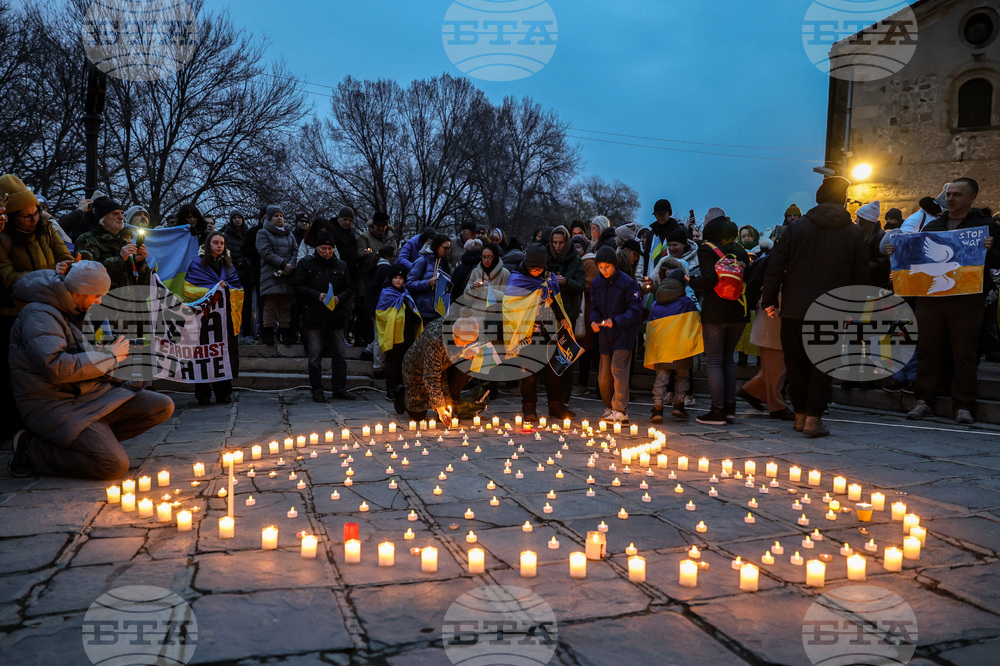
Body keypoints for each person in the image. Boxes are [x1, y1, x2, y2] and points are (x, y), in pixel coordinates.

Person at [7, 262, 175, 479]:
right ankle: (31, 449)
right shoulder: (39, 314)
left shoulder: (77, 309)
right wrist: (109, 356)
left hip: (90, 394)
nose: (100, 301)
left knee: (161, 406)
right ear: (80, 290)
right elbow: (56, 367)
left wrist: (124, 359)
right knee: (113, 466)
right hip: (56, 403)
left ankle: (94, 440)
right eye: (97, 295)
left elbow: (91, 353)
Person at [762, 176, 869, 437]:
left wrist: (769, 300)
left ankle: (799, 415)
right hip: (832, 310)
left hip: (795, 309)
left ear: (818, 198)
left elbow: (775, 266)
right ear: (843, 200)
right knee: (822, 365)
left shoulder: (796, 228)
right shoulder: (853, 232)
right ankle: (813, 418)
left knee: (796, 363)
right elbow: (861, 275)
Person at [890, 178, 1000, 424]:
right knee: (928, 350)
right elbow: (915, 260)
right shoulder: (933, 227)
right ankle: (924, 400)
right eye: (949, 194)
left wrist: (991, 250)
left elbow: (997, 262)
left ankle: (963, 405)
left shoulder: (985, 226)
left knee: (965, 353)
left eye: (957, 195)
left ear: (971, 198)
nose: (950, 199)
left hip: (967, 301)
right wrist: (897, 253)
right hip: (931, 300)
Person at [690, 212, 751, 426]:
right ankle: (730, 408)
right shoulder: (741, 251)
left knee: (714, 361)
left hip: (716, 311)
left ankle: (717, 410)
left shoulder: (706, 249)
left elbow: (709, 279)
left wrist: (691, 281)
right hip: (739, 311)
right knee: (728, 359)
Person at [505, 244, 575, 420]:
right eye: (532, 268)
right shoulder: (517, 279)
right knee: (528, 372)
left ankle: (555, 405)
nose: (535, 271)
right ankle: (529, 407)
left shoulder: (549, 278)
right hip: (528, 333)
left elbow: (554, 299)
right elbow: (510, 306)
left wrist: (562, 318)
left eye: (539, 268)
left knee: (554, 371)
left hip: (549, 330)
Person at [183, 232, 243, 405]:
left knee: (224, 354)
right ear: (208, 244)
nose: (219, 246)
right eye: (216, 242)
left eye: (222, 243)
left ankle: (223, 393)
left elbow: (238, 290)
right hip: (203, 319)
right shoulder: (196, 263)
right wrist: (214, 288)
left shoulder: (229, 265)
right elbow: (188, 289)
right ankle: (202, 394)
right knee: (202, 355)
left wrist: (226, 288)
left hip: (225, 320)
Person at [294, 232, 355, 402]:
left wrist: (339, 298)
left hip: (336, 317)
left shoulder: (341, 265)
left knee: (340, 356)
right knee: (314, 357)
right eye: (323, 249)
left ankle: (339, 389)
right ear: (316, 248)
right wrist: (316, 295)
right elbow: (298, 286)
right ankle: (317, 389)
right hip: (313, 316)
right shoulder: (306, 264)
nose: (327, 252)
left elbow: (349, 288)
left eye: (330, 249)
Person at [590, 245, 643, 424]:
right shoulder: (597, 283)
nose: (604, 270)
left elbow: (636, 309)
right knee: (604, 376)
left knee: (618, 370)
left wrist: (617, 320)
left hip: (623, 334)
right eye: (601, 267)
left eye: (607, 267)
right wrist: (593, 320)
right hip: (605, 335)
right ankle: (609, 407)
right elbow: (595, 306)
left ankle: (620, 410)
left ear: (614, 265)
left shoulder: (627, 283)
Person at [644, 267, 702, 422]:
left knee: (661, 378)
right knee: (682, 377)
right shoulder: (687, 303)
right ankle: (678, 405)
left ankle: (657, 409)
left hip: (662, 347)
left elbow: (651, 326)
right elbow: (695, 324)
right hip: (681, 347)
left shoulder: (657, 303)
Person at [398, 315, 476, 421]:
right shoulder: (434, 338)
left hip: (442, 368)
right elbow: (431, 377)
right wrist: (440, 408)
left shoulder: (468, 327)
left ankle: (453, 399)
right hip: (417, 370)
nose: (464, 346)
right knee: (417, 415)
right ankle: (401, 395)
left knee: (447, 412)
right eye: (463, 343)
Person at [75, 198, 151, 290]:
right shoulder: (87, 240)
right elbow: (88, 275)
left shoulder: (123, 242)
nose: (121, 217)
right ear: (103, 218)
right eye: (115, 213)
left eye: (121, 213)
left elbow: (144, 284)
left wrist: (140, 262)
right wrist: (120, 258)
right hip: (104, 301)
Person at [377, 264, 423, 402]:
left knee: (405, 363)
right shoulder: (387, 293)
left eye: (401, 278)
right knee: (393, 364)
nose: (398, 280)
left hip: (407, 335)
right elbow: (381, 314)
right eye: (395, 278)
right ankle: (391, 390)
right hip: (394, 335)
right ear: (391, 279)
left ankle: (403, 389)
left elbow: (413, 311)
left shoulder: (406, 294)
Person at [255, 206, 298, 345]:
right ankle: (267, 333)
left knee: (286, 305)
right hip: (271, 274)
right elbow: (265, 252)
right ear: (269, 218)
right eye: (276, 216)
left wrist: (290, 266)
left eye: (281, 215)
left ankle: (285, 332)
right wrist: (283, 265)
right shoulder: (263, 233)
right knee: (270, 305)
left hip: (288, 274)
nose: (279, 218)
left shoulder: (289, 234)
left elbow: (295, 251)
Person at [222, 210, 256, 343]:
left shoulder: (249, 234)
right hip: (234, 274)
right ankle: (234, 333)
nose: (237, 220)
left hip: (248, 274)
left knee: (248, 306)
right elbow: (227, 254)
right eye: (235, 218)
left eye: (239, 217)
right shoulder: (227, 235)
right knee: (234, 305)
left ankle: (248, 333)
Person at [407, 233, 453, 323]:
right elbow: (409, 283)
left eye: (449, 249)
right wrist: (428, 283)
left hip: (441, 310)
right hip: (425, 311)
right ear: (437, 246)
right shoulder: (422, 260)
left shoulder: (444, 263)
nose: (447, 251)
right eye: (445, 248)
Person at [639, 199, 680, 279]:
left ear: (669, 213)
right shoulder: (652, 234)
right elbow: (647, 256)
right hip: (652, 273)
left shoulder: (678, 231)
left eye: (663, 214)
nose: (660, 216)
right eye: (657, 214)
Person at [856, 201, 890, 289]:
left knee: (869, 303)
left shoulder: (879, 236)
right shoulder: (864, 234)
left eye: (858, 218)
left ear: (864, 221)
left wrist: (862, 266)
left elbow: (883, 262)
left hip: (873, 284)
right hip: (865, 282)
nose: (855, 220)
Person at [464, 241, 510, 308]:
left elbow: (508, 298)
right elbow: (466, 297)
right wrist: (473, 288)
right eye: (484, 257)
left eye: (489, 257)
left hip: (496, 315)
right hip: (477, 314)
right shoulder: (475, 272)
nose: (486, 260)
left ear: (495, 257)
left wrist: (491, 291)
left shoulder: (504, 273)